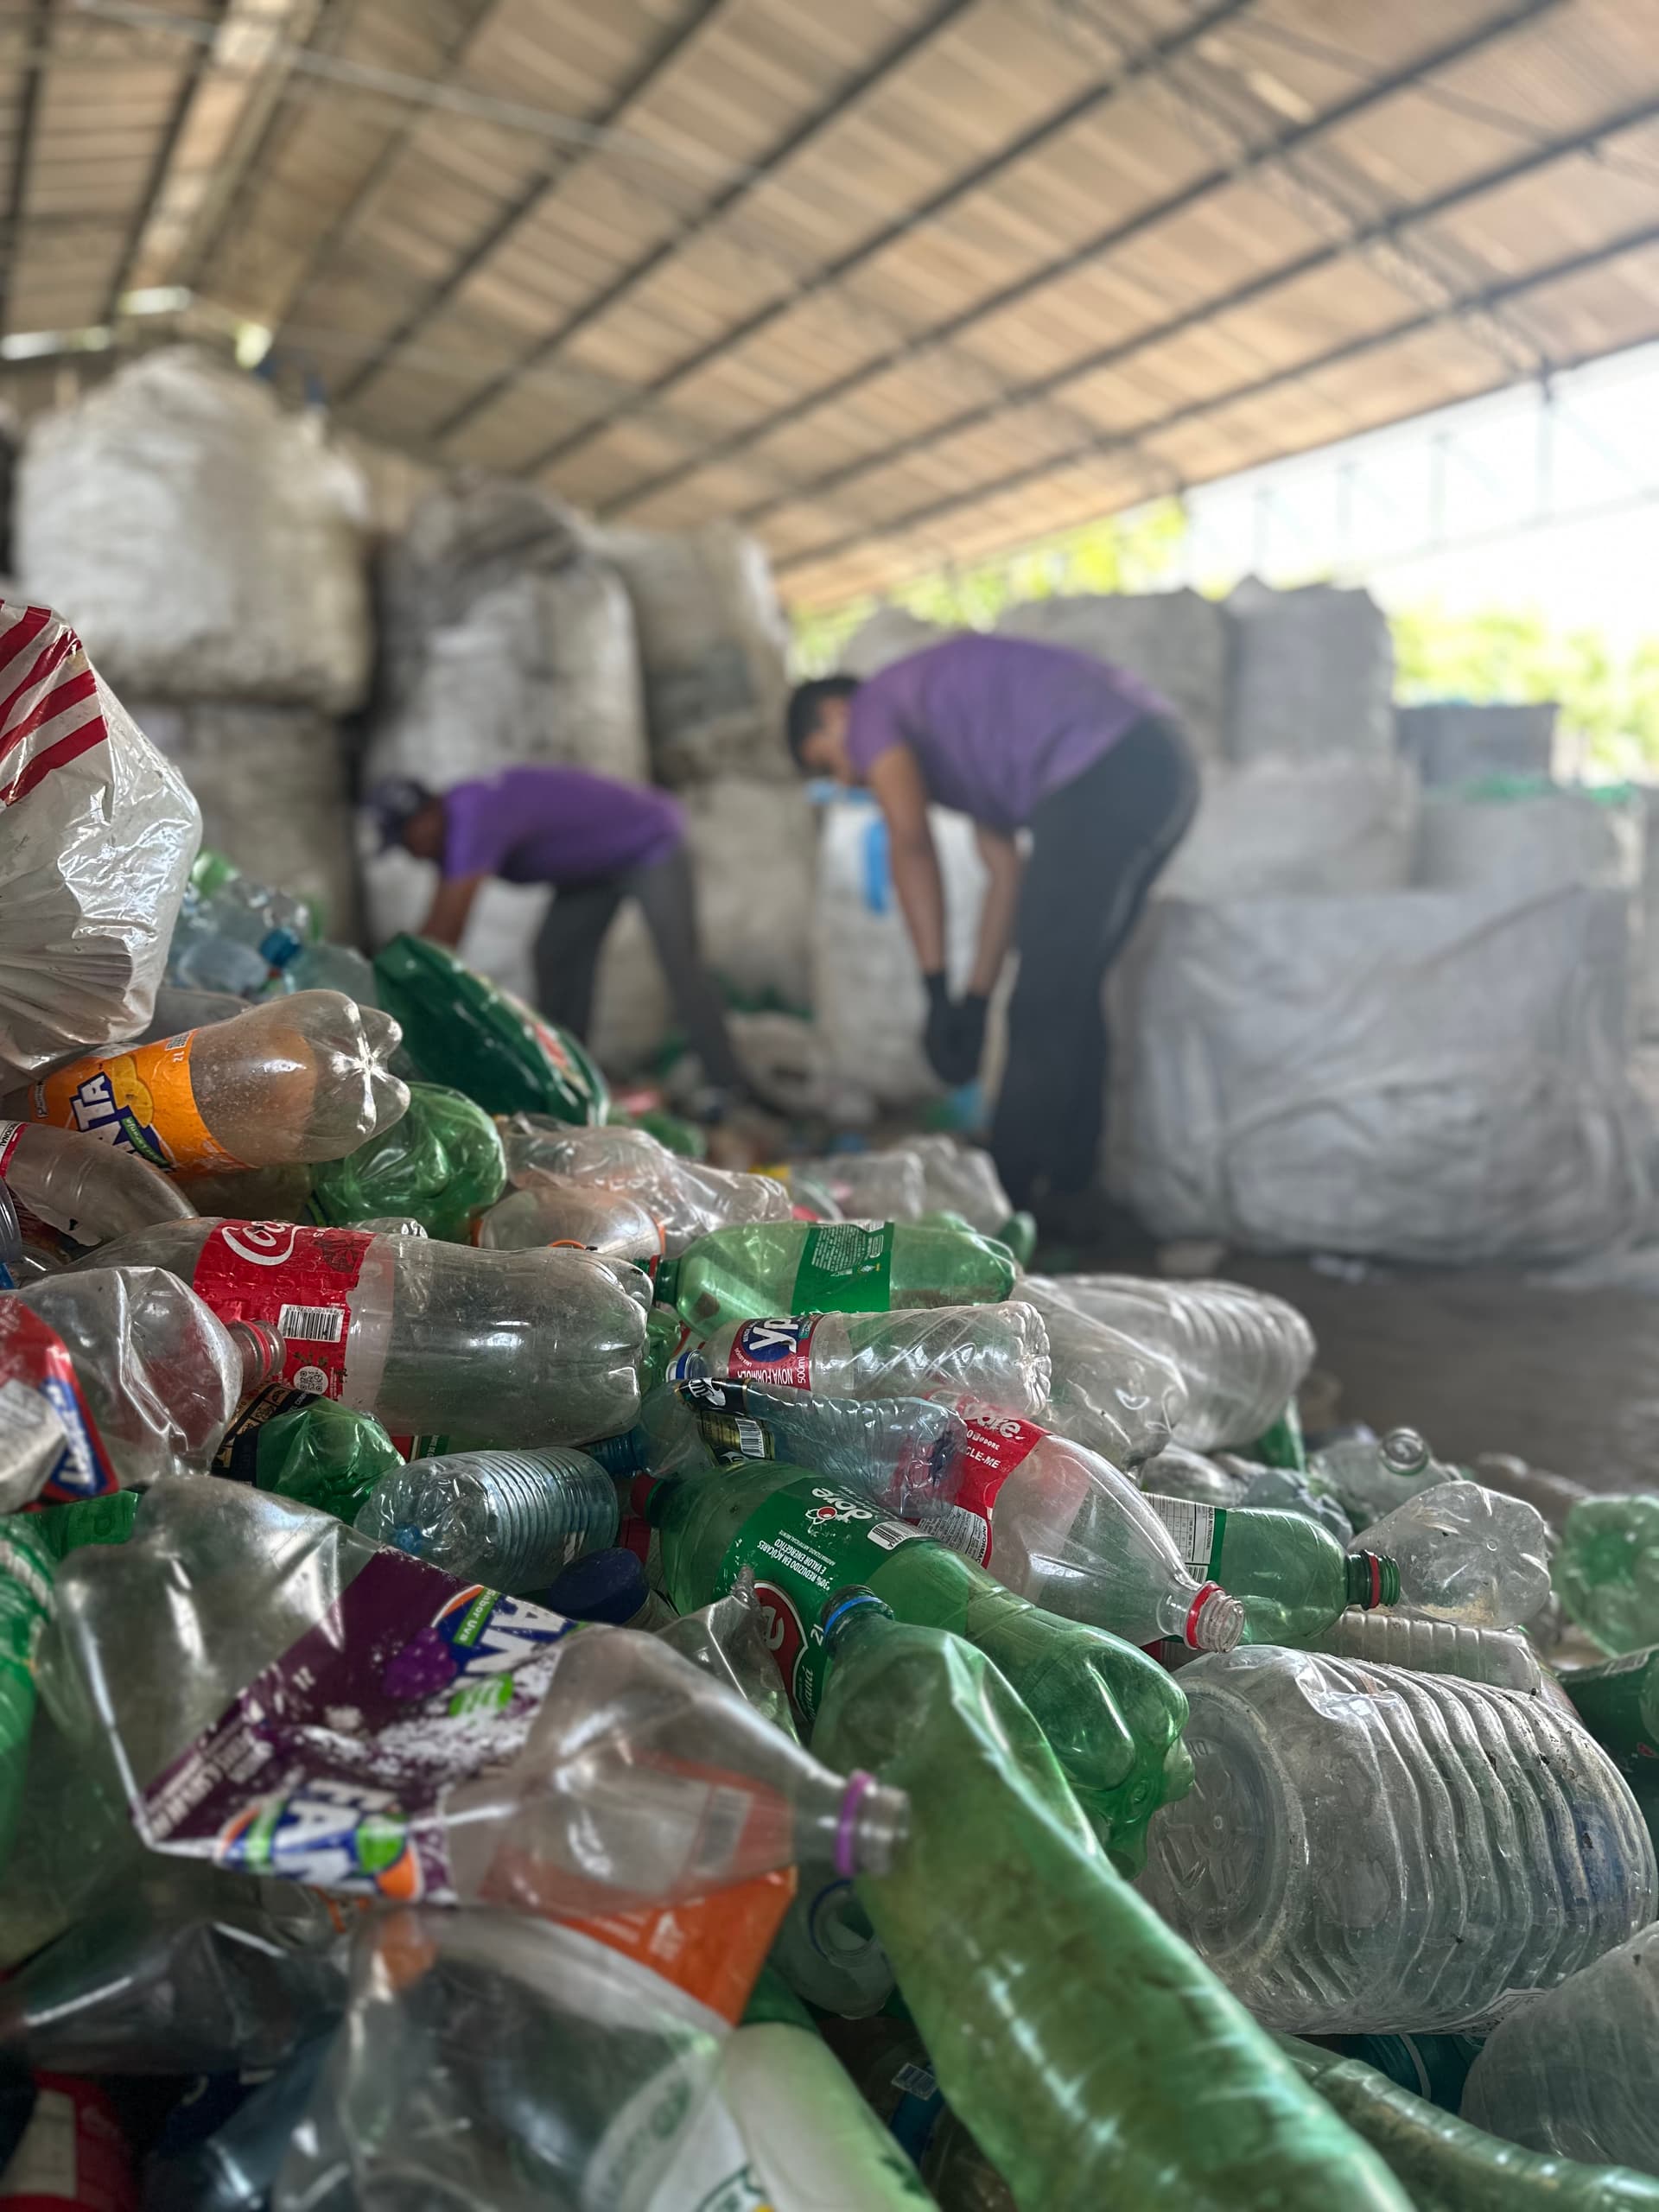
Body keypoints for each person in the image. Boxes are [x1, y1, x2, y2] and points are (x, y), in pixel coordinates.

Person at [786, 632, 1197, 1216]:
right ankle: (1071, 1191)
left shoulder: (874, 706)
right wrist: (973, 999)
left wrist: (935, 990)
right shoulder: (960, 743)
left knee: (1042, 1002)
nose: (850, 783)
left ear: (836, 714)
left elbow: (911, 843)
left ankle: (1005, 1198)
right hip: (1159, 767)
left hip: (1108, 770)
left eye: (829, 762)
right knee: (1069, 991)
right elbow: (1005, 874)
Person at [367, 766, 751, 1103]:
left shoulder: (472, 816)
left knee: (680, 964)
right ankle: (569, 1084)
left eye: (406, 841)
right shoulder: (456, 825)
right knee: (553, 955)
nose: (410, 854)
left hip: (648, 840)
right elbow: (436, 922)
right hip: (593, 870)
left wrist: (379, 994)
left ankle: (729, 1086)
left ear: (424, 817)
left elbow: (443, 936)